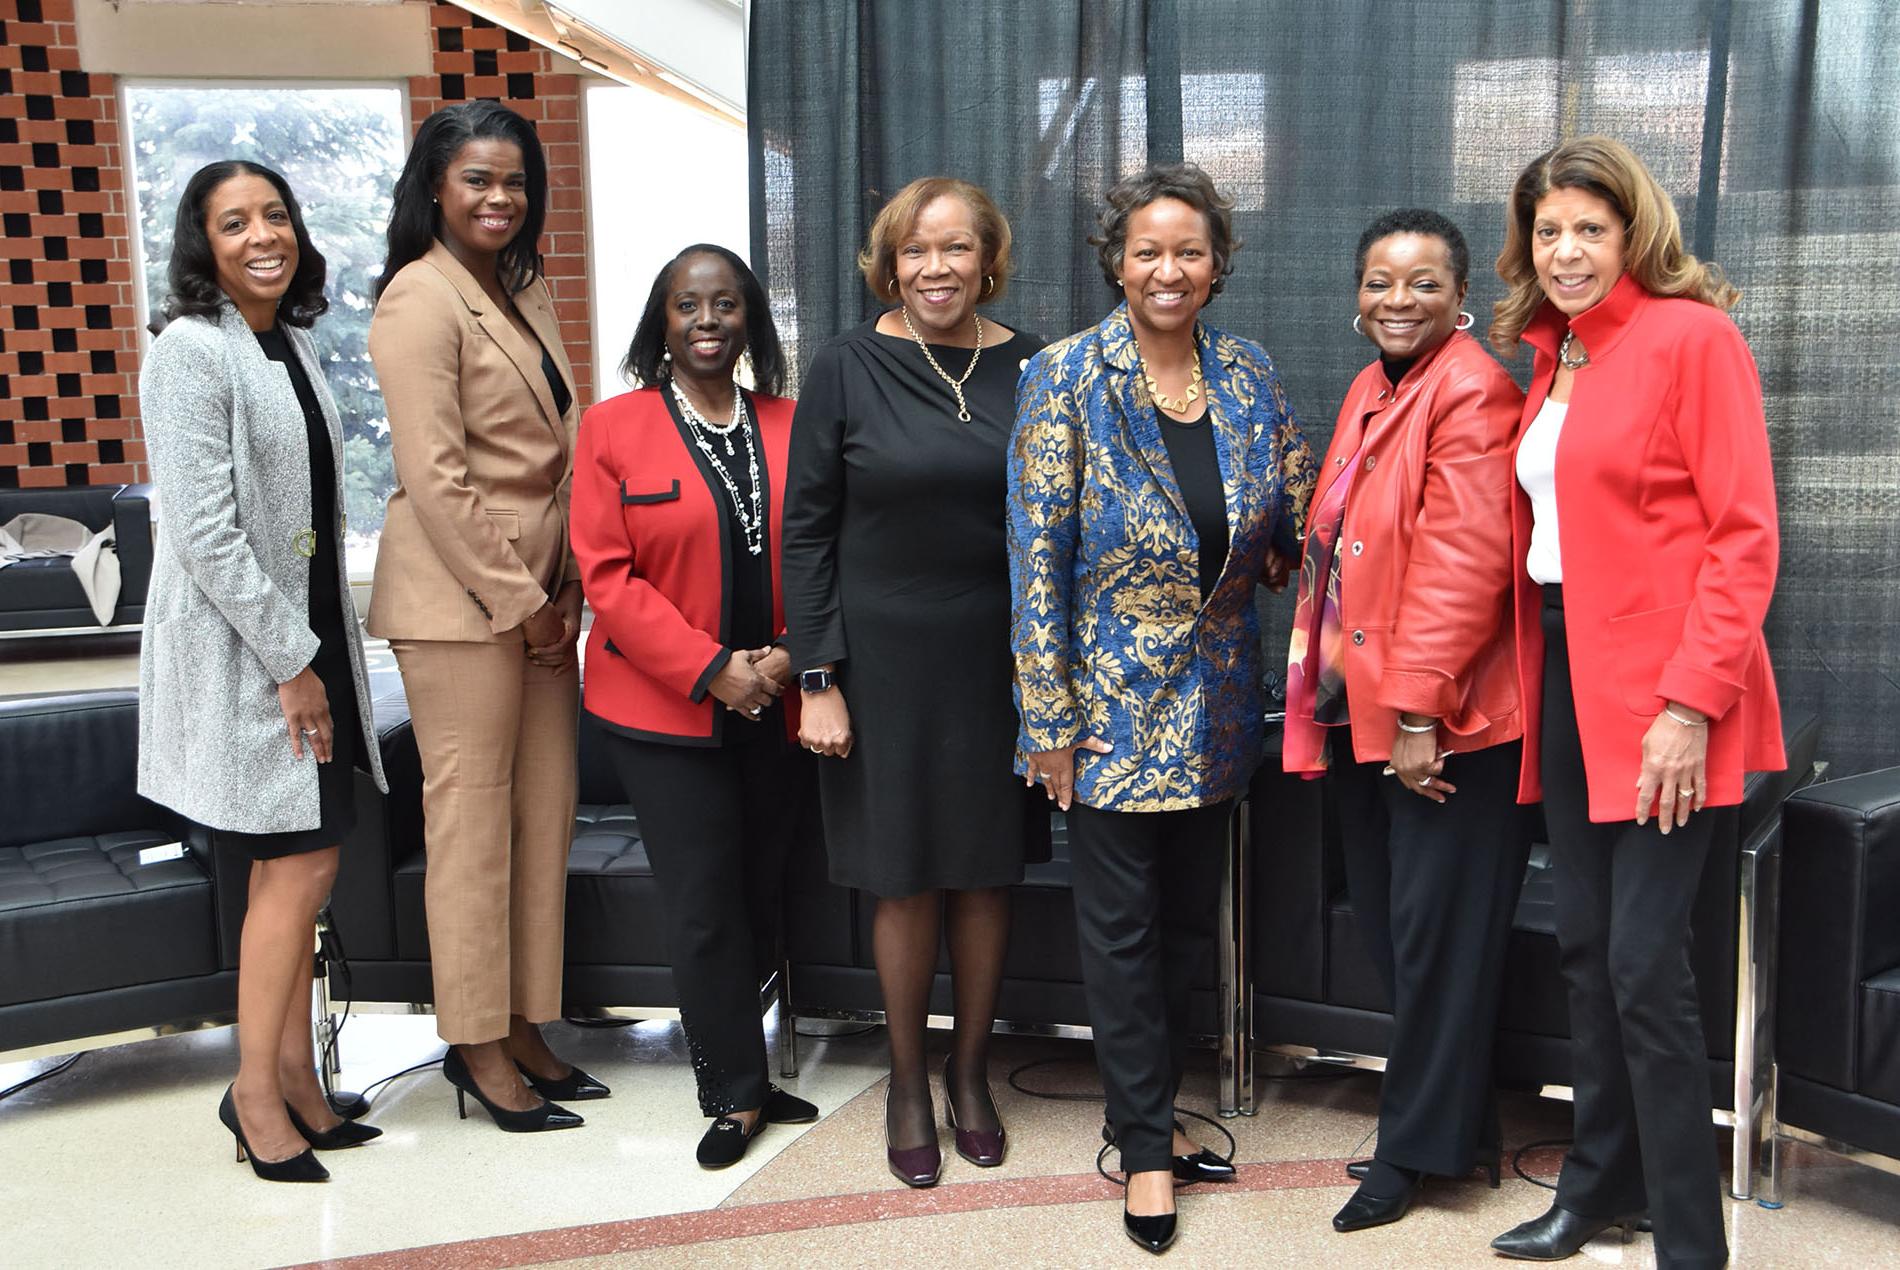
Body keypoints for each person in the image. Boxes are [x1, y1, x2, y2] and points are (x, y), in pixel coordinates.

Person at [1487, 135, 1784, 1268]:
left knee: (1643, 967)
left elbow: (1742, 535)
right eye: (1547, 231)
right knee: (1583, 945)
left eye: (1587, 231)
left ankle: (1690, 1245)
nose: (1564, 252)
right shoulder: (1554, 355)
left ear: (1632, 235)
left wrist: (1687, 704)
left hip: (1668, 697)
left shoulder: (1691, 338)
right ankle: (1595, 1187)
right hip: (1565, 678)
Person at [1009, 161, 1316, 1254]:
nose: (1168, 269)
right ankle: (1141, 1149)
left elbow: (1285, 514)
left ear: (1218, 264)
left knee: (1187, 928)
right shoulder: (1065, 378)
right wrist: (1044, 718)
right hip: (1106, 715)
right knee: (1122, 939)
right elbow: (1034, 558)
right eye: (1148, 250)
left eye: (1189, 250)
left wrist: (1308, 535)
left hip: (1220, 711)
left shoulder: (1247, 373)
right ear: (1117, 262)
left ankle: (1151, 1112)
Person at [781, 177, 1050, 1188]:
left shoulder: (1033, 365)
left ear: (988, 259)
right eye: (915, 250)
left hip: (995, 663)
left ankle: (969, 1072)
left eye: (956, 248)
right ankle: (904, 1080)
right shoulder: (847, 366)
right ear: (889, 262)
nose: (935, 267)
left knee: (984, 874)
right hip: (879, 667)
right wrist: (817, 676)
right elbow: (807, 531)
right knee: (900, 876)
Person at [138, 160, 388, 1181]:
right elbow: (202, 531)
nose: (261, 236)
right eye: (233, 223)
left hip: (308, 630)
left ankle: (294, 1078)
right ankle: (254, 1098)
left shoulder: (285, 341)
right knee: (291, 870)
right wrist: (293, 661)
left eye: (274, 214)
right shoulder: (190, 352)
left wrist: (320, 648)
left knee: (308, 866)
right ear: (205, 245)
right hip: (249, 651)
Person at [1281, 209, 1528, 1232]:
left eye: (1421, 282)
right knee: (1397, 934)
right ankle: (1457, 1128)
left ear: (1459, 295)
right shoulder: (1374, 387)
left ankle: (1413, 1153)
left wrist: (1423, 711)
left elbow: (1465, 567)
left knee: (1434, 943)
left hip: (1442, 725)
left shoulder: (1472, 389)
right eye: (1379, 280)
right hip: (1360, 710)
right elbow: (1346, 538)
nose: (1396, 298)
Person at [367, 101, 601, 1132]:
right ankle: (473, 1045)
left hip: (546, 598)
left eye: (513, 181)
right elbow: (436, 479)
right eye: (477, 181)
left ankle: (522, 1019)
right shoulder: (417, 299)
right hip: (462, 604)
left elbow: (561, 448)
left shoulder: (522, 288)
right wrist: (522, 603)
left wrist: (569, 586)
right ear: (434, 189)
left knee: (541, 818)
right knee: (470, 827)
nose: (499, 198)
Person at [569, 244, 819, 1168]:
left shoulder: (794, 423)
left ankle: (748, 1064)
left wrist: (789, 661)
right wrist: (714, 667)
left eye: (725, 304)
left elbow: (827, 556)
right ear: (662, 323)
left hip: (781, 704)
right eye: (687, 306)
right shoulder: (612, 429)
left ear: (750, 319)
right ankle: (733, 1092)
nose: (707, 320)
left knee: (763, 890)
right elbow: (609, 578)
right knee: (706, 902)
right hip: (667, 710)